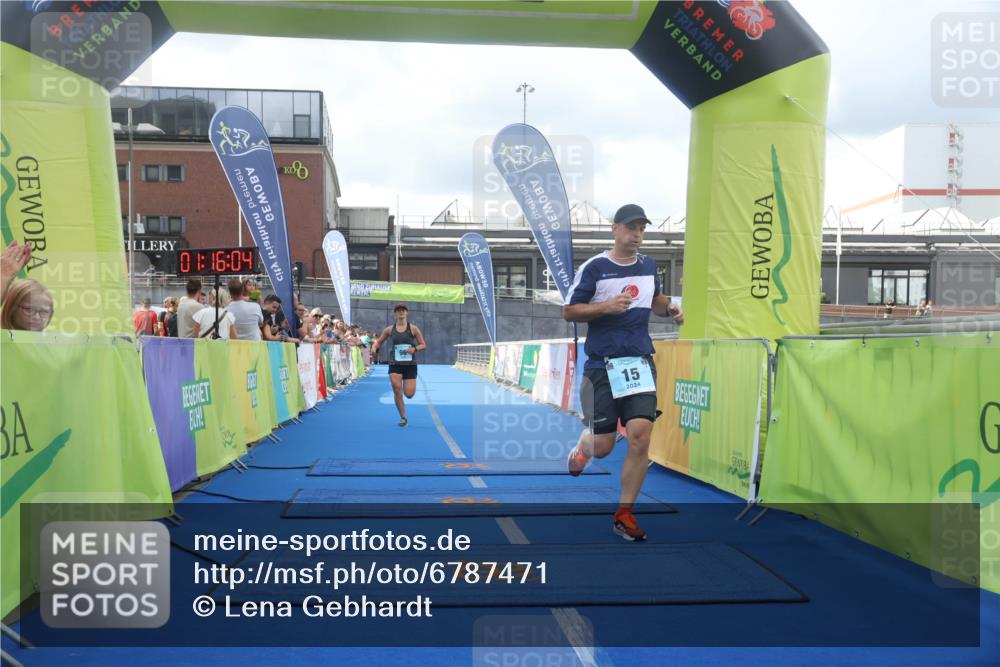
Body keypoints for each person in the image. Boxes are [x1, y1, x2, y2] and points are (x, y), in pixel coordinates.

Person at [562, 203, 684, 542]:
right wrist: (606, 307)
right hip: (602, 365)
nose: (637, 234)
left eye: (642, 228)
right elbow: (569, 311)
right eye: (631, 228)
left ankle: (624, 514)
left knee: (641, 433)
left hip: (639, 362)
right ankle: (585, 447)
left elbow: (655, 299)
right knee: (602, 447)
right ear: (615, 229)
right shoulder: (595, 267)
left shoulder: (648, 264)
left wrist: (669, 307)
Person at [371, 304, 427, 427]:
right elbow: (378, 342)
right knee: (397, 389)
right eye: (398, 311)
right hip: (395, 364)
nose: (401, 313)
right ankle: (403, 417)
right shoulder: (389, 330)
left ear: (407, 313)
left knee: (409, 394)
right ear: (395, 314)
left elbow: (423, 344)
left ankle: (404, 407)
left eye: (403, 311)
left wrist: (415, 349)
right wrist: (374, 348)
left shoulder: (413, 329)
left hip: (410, 365)